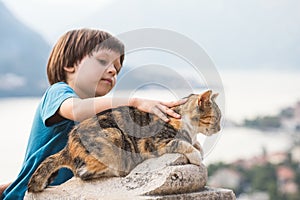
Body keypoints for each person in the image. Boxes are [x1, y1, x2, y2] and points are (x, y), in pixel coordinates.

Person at [0, 28, 186, 200]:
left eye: (117, 69)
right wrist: (134, 101)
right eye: (103, 61)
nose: (113, 70)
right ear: (70, 65)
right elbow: (75, 110)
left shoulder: (100, 117)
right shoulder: (58, 93)